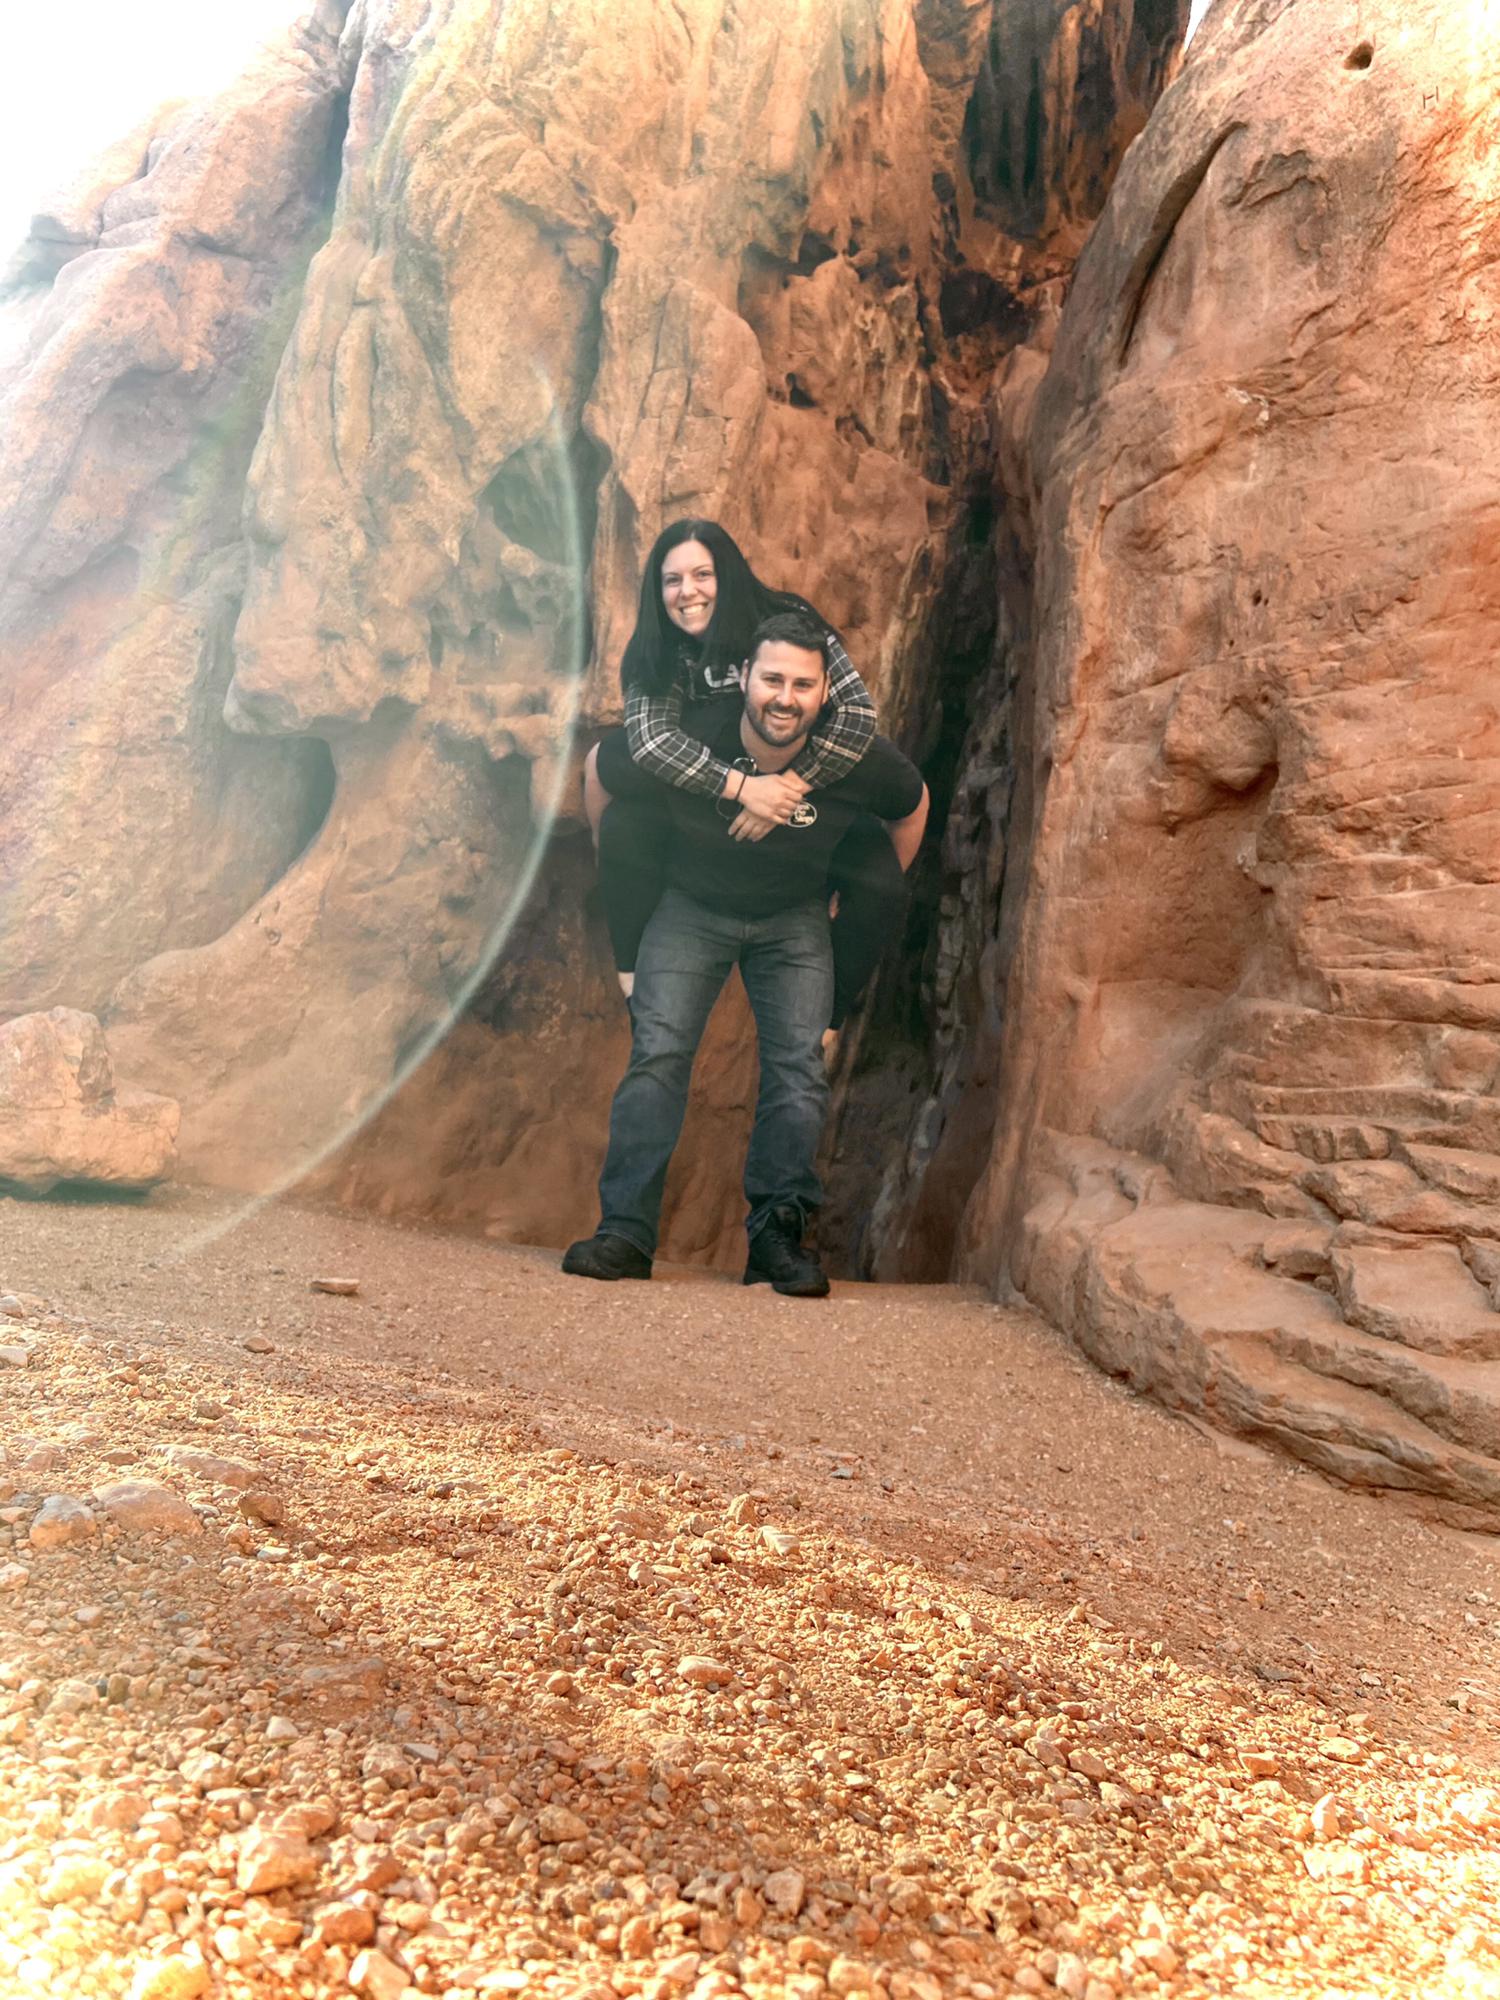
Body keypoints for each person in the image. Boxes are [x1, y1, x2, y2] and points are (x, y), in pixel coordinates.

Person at [564, 612, 928, 1296]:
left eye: (802, 684)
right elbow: (602, 771)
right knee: (660, 1051)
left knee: (797, 1069)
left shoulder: (854, 757)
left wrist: (867, 887)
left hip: (794, 921)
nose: (784, 698)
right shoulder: (691, 735)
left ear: (825, 695)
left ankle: (776, 1241)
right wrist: (613, 864)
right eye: (772, 680)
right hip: (689, 907)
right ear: (745, 682)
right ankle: (623, 1233)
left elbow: (913, 805)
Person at [584, 519, 908, 1036]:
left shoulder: (785, 619)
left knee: (884, 881)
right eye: (672, 580)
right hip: (706, 792)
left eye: (702, 574)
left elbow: (857, 715)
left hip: (808, 781)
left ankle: (830, 1015)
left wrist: (789, 787)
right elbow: (651, 742)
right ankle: (632, 967)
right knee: (610, 772)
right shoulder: (659, 647)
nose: (687, 591)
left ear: (728, 575)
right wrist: (743, 789)